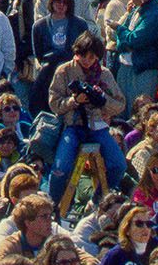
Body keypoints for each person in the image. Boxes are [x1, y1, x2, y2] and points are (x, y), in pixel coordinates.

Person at [46, 34, 124, 203]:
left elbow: (120, 104)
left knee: (118, 165)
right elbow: (54, 103)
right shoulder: (64, 70)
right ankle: (52, 206)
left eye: (91, 57)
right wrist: (74, 101)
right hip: (72, 125)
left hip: (97, 126)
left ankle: (98, 202)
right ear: (77, 53)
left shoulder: (104, 74)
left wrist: (102, 100)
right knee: (60, 168)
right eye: (83, 56)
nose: (87, 60)